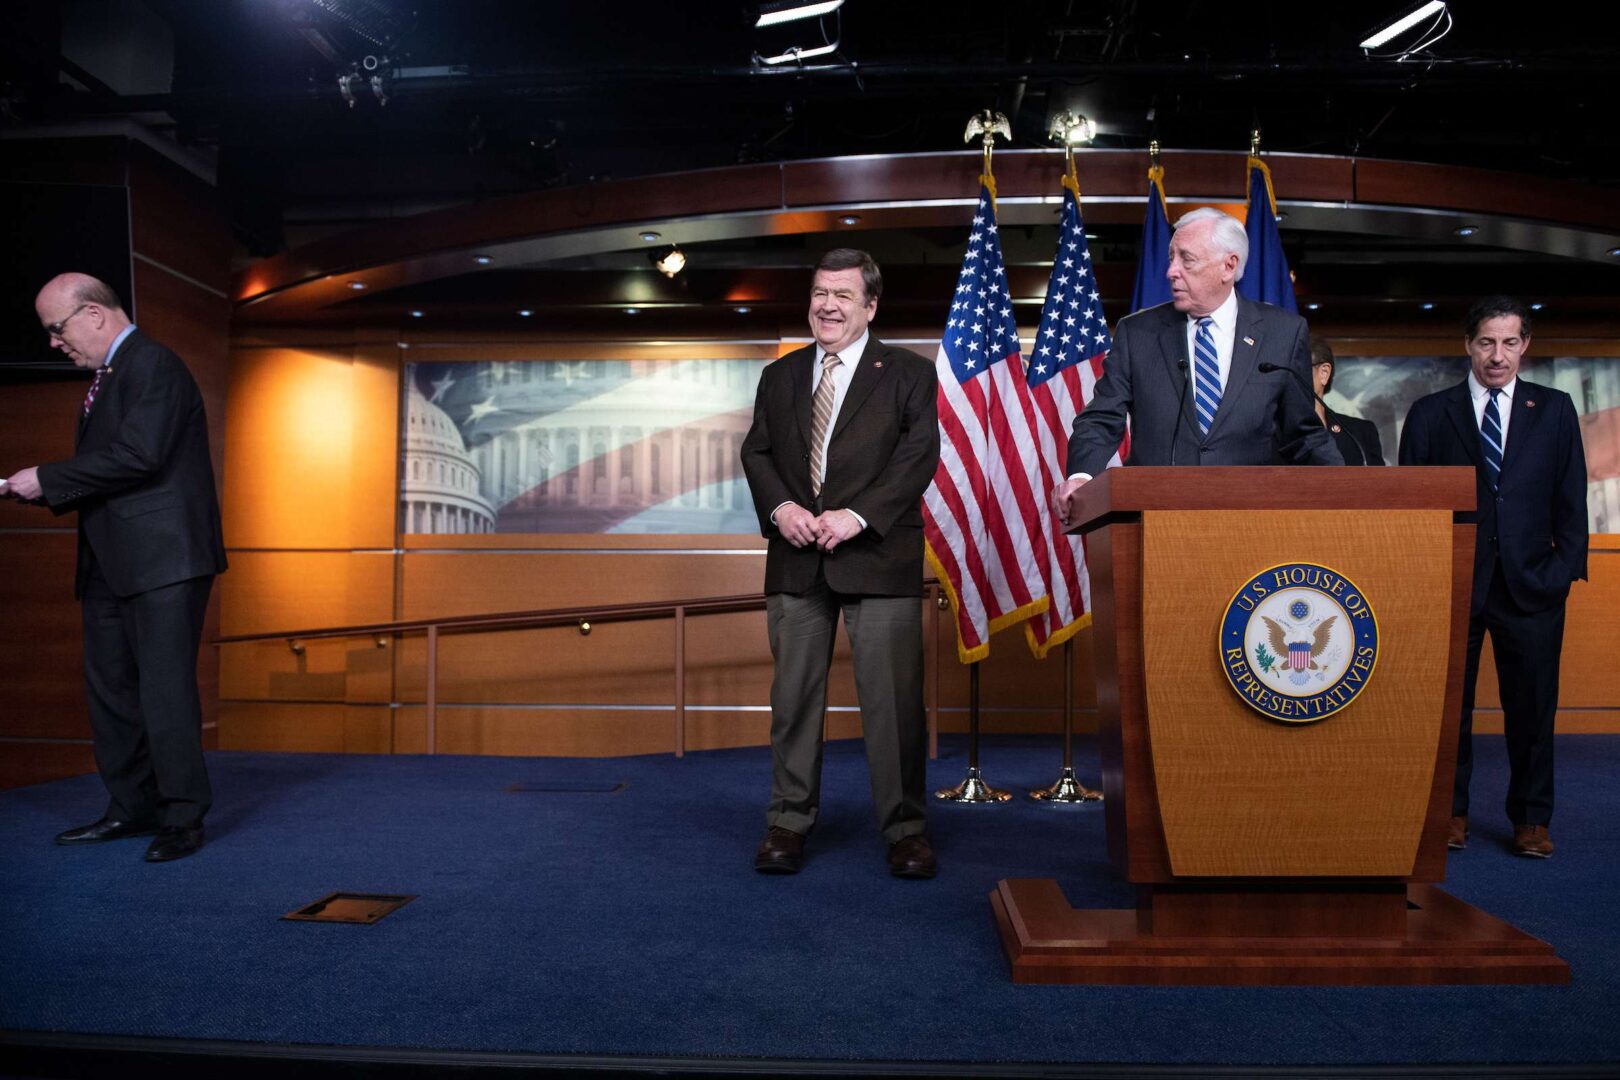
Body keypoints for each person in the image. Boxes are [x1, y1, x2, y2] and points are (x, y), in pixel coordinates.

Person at [3, 273, 227, 863]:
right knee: (111, 692)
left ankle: (182, 818)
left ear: (94, 315)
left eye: (58, 329)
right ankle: (131, 807)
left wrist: (45, 479)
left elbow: (139, 455)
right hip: (112, 559)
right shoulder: (111, 374)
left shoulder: (153, 364)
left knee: (163, 690)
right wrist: (40, 486)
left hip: (164, 559)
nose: (55, 344)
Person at [738, 249, 940, 878]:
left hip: (877, 555)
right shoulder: (781, 376)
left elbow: (918, 456)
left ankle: (905, 831)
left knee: (894, 704)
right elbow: (758, 452)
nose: (827, 305)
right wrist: (782, 510)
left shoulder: (908, 372)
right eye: (820, 292)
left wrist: (856, 516)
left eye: (843, 295)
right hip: (797, 560)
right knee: (793, 701)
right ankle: (787, 823)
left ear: (870, 306)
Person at [1398, 296, 1587, 858]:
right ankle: (1450, 814)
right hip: (1454, 586)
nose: (1497, 356)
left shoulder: (1553, 409)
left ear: (1524, 346)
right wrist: (1427, 577)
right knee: (1448, 710)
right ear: (1468, 345)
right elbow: (1413, 506)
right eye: (1486, 342)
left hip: (1533, 588)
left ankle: (1531, 820)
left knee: (1532, 712)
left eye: (1509, 343)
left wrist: (1561, 571)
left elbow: (1570, 500)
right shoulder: (1432, 413)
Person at [1051, 208, 1341, 522]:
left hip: (1252, 521)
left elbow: (1302, 433)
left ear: (1228, 266)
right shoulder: (1138, 333)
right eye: (1171, 258)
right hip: (1156, 521)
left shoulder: (1282, 333)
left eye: (1186, 259)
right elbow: (1101, 418)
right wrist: (1082, 474)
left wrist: (1350, 490)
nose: (1172, 271)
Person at [1310, 338, 1384, 465]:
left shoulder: (1360, 433)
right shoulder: (1274, 432)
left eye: (1297, 368)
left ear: (1324, 373)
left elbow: (1378, 482)